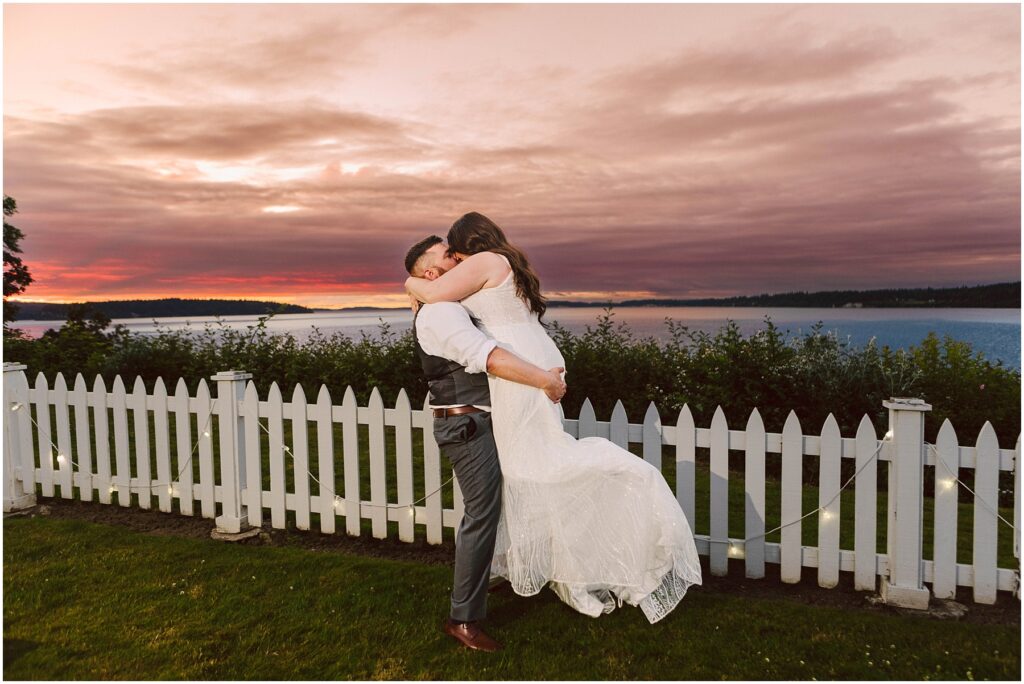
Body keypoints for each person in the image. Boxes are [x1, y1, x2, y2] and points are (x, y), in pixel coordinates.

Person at [405, 213, 702, 624]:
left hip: (522, 374)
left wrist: (410, 284)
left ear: (466, 246)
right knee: (529, 472)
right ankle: (553, 565)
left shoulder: (484, 263)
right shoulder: (496, 266)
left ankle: (597, 528)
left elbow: (436, 292)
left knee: (538, 468)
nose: (454, 259)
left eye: (454, 250)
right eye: (446, 256)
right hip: (529, 368)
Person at [404, 235, 567, 652]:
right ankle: (463, 619)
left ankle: (498, 576)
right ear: (430, 273)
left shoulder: (450, 304)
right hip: (466, 427)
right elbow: (488, 357)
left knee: (505, 500)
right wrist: (545, 381)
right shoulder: (440, 315)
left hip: (479, 420)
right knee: (481, 515)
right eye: (448, 257)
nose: (459, 260)